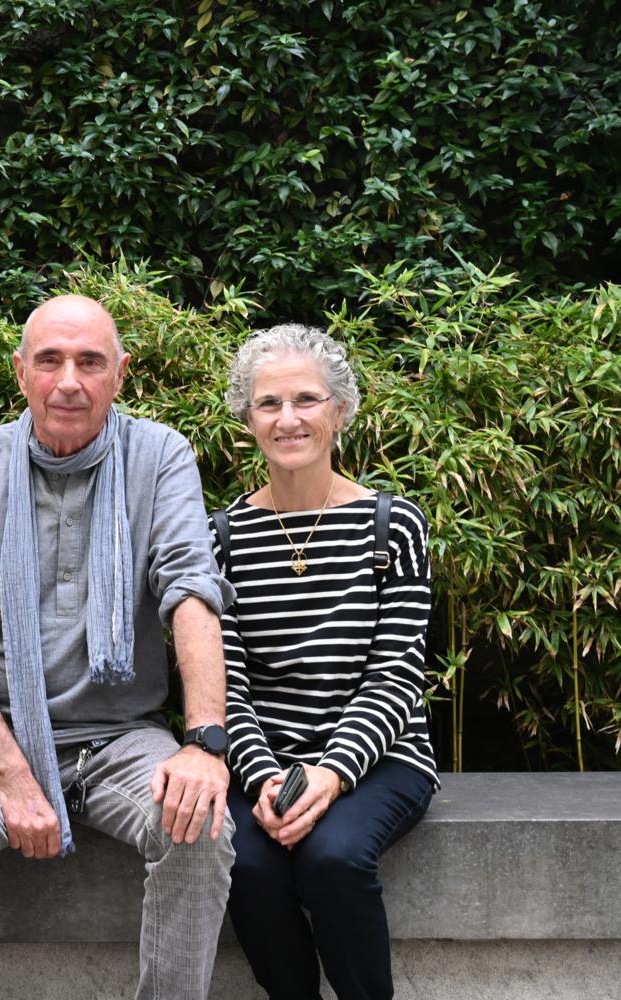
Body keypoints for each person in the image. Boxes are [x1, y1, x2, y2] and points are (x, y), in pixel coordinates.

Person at [0, 294, 237, 1000]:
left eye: (90, 362)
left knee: (200, 823)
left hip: (120, 734)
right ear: (21, 371)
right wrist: (13, 773)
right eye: (50, 360)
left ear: (120, 374)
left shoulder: (160, 456)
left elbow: (191, 591)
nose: (69, 382)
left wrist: (205, 742)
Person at [214, 323, 438, 1000]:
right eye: (269, 403)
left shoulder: (393, 526)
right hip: (265, 755)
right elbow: (226, 683)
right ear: (248, 419)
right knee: (244, 864)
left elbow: (396, 674)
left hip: (381, 755)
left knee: (333, 858)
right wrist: (263, 778)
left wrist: (332, 774)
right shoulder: (222, 537)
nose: (288, 419)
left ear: (340, 412)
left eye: (306, 400)